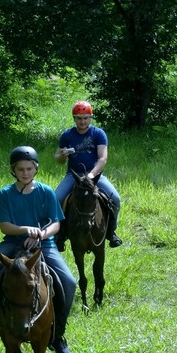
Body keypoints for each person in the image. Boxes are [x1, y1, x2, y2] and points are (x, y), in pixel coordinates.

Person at [0, 146, 77, 353]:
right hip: (12, 244)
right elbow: (4, 226)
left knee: (68, 282)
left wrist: (40, 234)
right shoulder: (5, 194)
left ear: (35, 168)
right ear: (13, 170)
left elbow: (56, 224)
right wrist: (23, 229)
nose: (25, 173)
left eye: (29, 168)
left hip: (43, 245)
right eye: (20, 169)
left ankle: (58, 335)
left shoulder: (46, 192)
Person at [54, 101, 122, 250]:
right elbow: (58, 159)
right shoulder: (67, 135)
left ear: (90, 118)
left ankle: (111, 231)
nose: (82, 121)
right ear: (74, 118)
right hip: (74, 175)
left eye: (85, 118)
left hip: (94, 175)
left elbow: (102, 158)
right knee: (56, 198)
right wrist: (63, 155)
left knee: (115, 198)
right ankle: (59, 234)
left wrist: (91, 175)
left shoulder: (98, 134)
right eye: (79, 118)